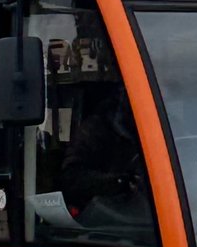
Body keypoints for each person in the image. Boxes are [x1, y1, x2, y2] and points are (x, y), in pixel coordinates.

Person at [60, 87, 149, 220]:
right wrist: (121, 183)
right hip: (105, 224)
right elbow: (71, 178)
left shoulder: (167, 128)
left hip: (153, 220)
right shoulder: (96, 130)